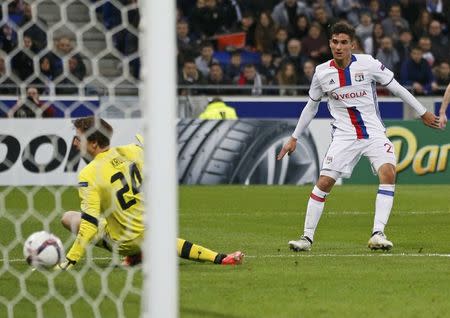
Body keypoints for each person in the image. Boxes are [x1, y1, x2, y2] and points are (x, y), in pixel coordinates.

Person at [277, 22, 440, 252]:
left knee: (388, 172)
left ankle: (378, 233)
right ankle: (306, 238)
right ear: (330, 43)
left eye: (344, 42)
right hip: (344, 136)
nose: (339, 46)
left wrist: (423, 112)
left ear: (352, 44)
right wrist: (294, 137)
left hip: (373, 132)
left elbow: (397, 88)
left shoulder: (368, 63)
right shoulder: (322, 72)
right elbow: (311, 107)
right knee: (324, 183)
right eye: (335, 42)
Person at [56, 117, 243, 270]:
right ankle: (219, 258)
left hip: (124, 242)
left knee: (68, 217)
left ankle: (134, 254)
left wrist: (70, 261)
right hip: (151, 231)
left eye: (79, 139)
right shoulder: (132, 151)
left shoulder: (88, 173)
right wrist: (219, 258)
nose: (74, 143)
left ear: (94, 143)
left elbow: (89, 226)